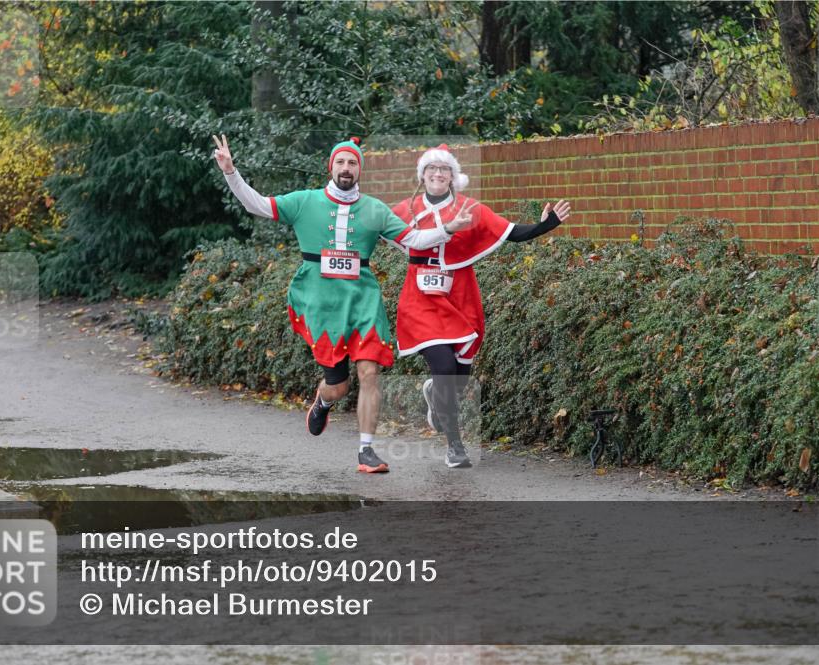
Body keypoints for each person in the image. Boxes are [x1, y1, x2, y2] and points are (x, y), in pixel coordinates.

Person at [211, 135, 473, 473]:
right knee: (338, 386)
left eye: (352, 163)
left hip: (363, 300)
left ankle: (366, 451)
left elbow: (414, 240)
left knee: (369, 372)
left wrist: (448, 228)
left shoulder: (375, 209)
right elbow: (258, 205)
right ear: (331, 167)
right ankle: (323, 401)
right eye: (340, 162)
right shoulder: (304, 201)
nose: (346, 168)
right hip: (321, 304)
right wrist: (230, 172)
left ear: (359, 169)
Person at [389, 144, 571, 468]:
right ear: (422, 175)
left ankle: (437, 400)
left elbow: (511, 232)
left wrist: (546, 225)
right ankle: (455, 446)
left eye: (444, 169)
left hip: (460, 295)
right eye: (431, 168)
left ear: (453, 177)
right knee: (444, 366)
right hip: (420, 298)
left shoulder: (471, 209)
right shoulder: (405, 209)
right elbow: (369, 229)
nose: (437, 174)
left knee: (458, 378)